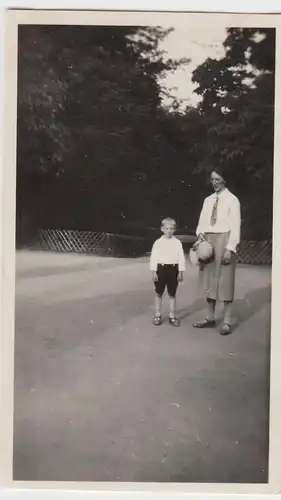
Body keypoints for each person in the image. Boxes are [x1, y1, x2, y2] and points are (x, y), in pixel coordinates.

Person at [193, 166, 241, 335]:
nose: (214, 183)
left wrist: (230, 248)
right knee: (209, 280)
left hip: (225, 240)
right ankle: (210, 317)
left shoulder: (232, 200)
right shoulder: (208, 200)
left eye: (218, 179)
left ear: (225, 180)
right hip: (208, 241)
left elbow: (235, 226)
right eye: (212, 179)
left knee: (225, 280)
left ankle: (227, 321)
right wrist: (200, 237)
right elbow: (202, 222)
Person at [150, 218, 185, 327]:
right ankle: (157, 314)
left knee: (172, 294)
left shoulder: (177, 243)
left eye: (172, 229)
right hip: (161, 269)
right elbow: (154, 257)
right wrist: (154, 271)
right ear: (162, 229)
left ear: (175, 230)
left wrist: (181, 271)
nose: (169, 231)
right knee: (159, 293)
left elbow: (181, 258)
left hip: (173, 269)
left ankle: (172, 315)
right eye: (167, 228)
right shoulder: (158, 242)